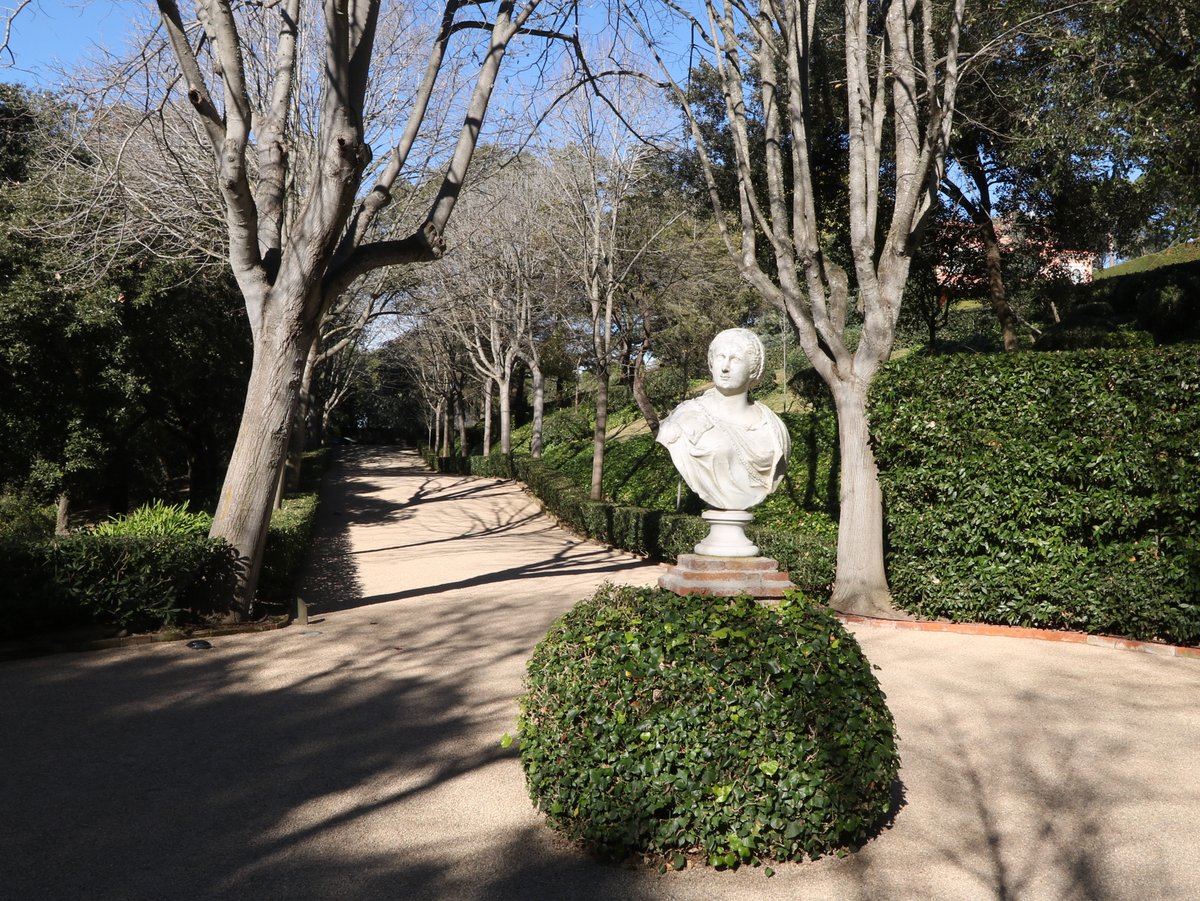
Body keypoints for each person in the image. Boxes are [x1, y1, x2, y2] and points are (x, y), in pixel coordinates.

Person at [657, 328, 790, 511]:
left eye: (735, 359)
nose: (725, 367)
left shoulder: (774, 428)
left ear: (753, 369)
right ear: (711, 363)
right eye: (720, 357)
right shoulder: (685, 418)